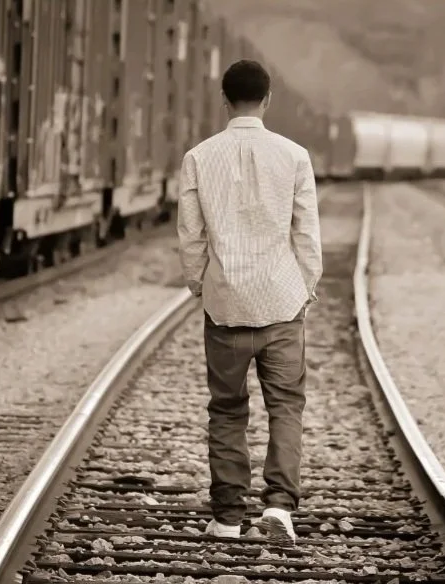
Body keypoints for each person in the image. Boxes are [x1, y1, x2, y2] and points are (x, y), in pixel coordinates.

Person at [176, 59, 323, 546]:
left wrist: (202, 286)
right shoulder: (295, 156)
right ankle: (280, 506)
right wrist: (306, 286)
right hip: (282, 302)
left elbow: (191, 236)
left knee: (226, 410)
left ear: (224, 99)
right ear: (267, 100)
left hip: (226, 307)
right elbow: (306, 232)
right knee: (285, 407)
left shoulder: (198, 157)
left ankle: (227, 517)